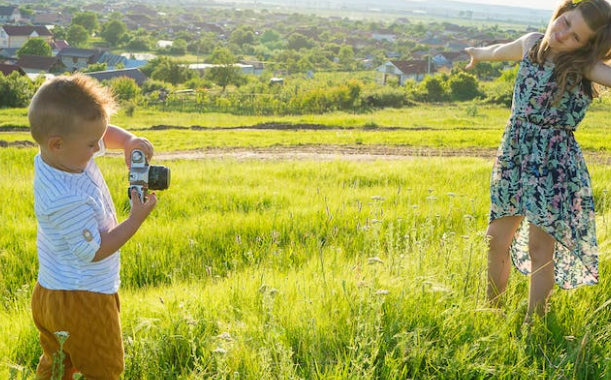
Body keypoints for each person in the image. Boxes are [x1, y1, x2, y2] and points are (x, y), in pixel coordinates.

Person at [465, 0, 611, 322]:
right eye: (566, 22)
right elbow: (499, 51)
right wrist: (479, 53)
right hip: (514, 155)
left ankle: (536, 322)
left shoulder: (581, 66)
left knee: (540, 249)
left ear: (585, 48)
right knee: (495, 239)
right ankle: (491, 313)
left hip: (554, 164)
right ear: (561, 11)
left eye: (575, 37)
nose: (564, 34)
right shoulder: (531, 44)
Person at [28, 73, 157, 379]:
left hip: (51, 291)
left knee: (59, 364)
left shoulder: (56, 156)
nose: (99, 147)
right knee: (104, 369)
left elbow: (94, 132)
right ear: (57, 143)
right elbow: (95, 250)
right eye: (92, 144)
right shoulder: (65, 197)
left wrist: (127, 140)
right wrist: (134, 219)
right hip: (84, 298)